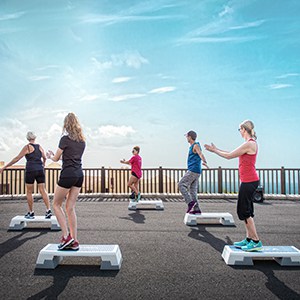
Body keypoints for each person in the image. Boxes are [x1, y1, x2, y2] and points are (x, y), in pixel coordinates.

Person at [204, 120, 262, 252]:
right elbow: (231, 153)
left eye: (239, 129)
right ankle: (249, 238)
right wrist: (216, 149)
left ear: (243, 129)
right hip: (248, 181)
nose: (239, 132)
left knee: (244, 211)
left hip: (249, 181)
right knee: (246, 210)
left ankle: (256, 241)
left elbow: (229, 156)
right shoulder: (248, 144)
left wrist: (214, 150)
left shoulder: (250, 144)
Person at [47, 113, 85, 251]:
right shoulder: (82, 141)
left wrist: (51, 156)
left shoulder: (64, 139)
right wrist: (59, 157)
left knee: (56, 204)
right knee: (70, 207)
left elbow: (57, 158)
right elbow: (71, 157)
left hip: (68, 175)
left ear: (66, 124)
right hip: (79, 175)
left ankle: (66, 236)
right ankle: (74, 240)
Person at [0, 132, 51, 219]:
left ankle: (31, 213)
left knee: (29, 192)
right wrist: (43, 164)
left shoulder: (27, 147)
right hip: (40, 170)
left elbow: (17, 158)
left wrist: (4, 167)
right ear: (35, 137)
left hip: (31, 170)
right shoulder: (39, 147)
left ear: (27, 138)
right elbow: (45, 157)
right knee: (43, 190)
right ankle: (48, 210)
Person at [178, 130, 208, 214]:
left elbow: (200, 153)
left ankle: (190, 203)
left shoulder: (195, 145)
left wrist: (204, 161)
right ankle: (197, 209)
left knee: (181, 184)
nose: (186, 138)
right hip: (196, 171)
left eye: (187, 136)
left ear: (190, 137)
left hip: (193, 170)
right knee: (192, 191)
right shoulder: (192, 146)